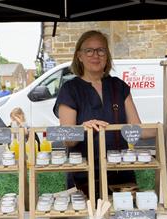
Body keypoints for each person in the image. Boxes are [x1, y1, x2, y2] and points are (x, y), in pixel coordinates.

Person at [53, 30, 155, 196]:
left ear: (107, 55)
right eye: (89, 50)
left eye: (101, 50)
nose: (96, 55)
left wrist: (163, 129)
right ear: (79, 56)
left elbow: (135, 130)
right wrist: (82, 128)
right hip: (84, 175)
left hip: (120, 174)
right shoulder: (70, 89)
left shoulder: (119, 86)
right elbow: (68, 140)